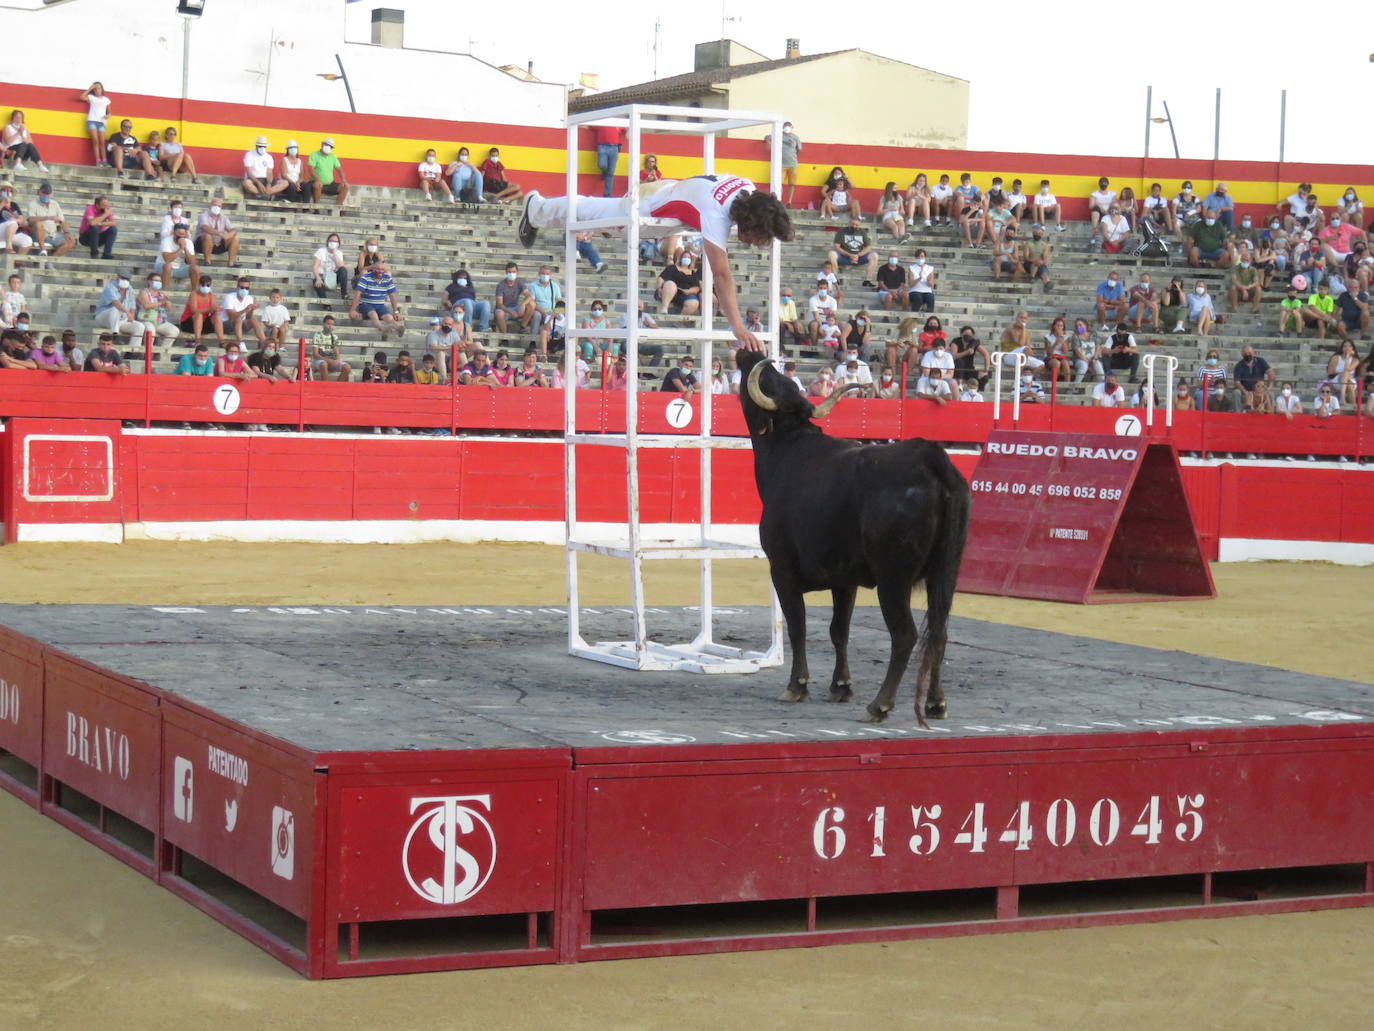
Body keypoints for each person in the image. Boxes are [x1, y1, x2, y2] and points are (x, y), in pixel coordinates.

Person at [518, 175, 792, 352]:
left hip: (668, 189)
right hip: (648, 208)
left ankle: (539, 209)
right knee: (589, 213)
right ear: (748, 221)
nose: (757, 243)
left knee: (593, 212)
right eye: (758, 237)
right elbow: (721, 275)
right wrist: (738, 327)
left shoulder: (748, 187)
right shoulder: (715, 214)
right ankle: (535, 207)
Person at [93, 272, 151, 344]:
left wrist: (131, 316)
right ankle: (115, 334)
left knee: (140, 326)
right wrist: (127, 312)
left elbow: (133, 305)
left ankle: (132, 352)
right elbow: (116, 303)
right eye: (123, 278)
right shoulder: (110, 287)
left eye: (127, 279)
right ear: (118, 278)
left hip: (122, 319)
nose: (125, 280)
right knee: (115, 309)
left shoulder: (130, 289)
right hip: (104, 317)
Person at [352, 262, 404, 340]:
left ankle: (398, 328)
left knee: (389, 317)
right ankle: (382, 328)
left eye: (382, 269)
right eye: (378, 269)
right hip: (366, 304)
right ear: (373, 269)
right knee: (373, 314)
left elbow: (392, 295)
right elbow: (357, 293)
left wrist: (395, 311)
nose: (380, 271)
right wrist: (353, 310)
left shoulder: (387, 278)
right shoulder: (366, 277)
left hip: (380, 305)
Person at [26, 181, 76, 258]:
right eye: (44, 193)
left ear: (51, 194)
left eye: (48, 193)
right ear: (39, 192)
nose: (46, 195)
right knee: (38, 224)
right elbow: (30, 219)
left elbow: (62, 221)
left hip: (53, 234)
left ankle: (50, 260)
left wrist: (66, 232)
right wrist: (48, 217)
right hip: (38, 234)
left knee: (71, 241)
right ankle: (43, 249)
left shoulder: (55, 204)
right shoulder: (33, 204)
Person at [829, 217, 878, 286]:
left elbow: (868, 247)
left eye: (856, 225)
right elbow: (837, 246)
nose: (854, 226)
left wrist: (858, 255)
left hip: (858, 257)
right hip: (844, 257)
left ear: (859, 225)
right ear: (849, 223)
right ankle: (835, 279)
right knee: (831, 254)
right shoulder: (841, 231)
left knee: (874, 255)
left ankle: (868, 280)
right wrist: (849, 255)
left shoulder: (862, 232)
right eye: (853, 224)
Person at [135, 272, 180, 344]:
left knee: (174, 331)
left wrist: (167, 301)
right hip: (146, 320)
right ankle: (148, 354)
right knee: (151, 331)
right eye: (156, 280)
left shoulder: (161, 294)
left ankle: (162, 354)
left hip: (160, 321)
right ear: (149, 281)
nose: (158, 282)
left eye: (159, 281)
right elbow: (146, 306)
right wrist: (161, 303)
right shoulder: (144, 292)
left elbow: (169, 309)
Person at [220, 276, 265, 346]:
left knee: (253, 320)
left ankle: (264, 342)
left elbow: (248, 317)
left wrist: (252, 309)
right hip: (227, 325)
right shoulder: (229, 297)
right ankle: (240, 343)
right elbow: (231, 317)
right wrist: (245, 309)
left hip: (240, 325)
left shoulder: (249, 298)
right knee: (238, 319)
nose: (244, 290)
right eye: (242, 287)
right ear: (237, 287)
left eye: (247, 288)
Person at [494, 261, 535, 334]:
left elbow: (529, 296)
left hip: (516, 307)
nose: (511, 274)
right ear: (506, 273)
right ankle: (504, 338)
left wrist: (523, 304)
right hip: (505, 310)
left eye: (513, 272)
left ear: (517, 272)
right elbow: (499, 304)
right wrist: (510, 311)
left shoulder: (519, 283)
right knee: (499, 313)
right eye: (509, 272)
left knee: (532, 304)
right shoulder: (501, 285)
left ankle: (523, 327)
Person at [178, 274, 221, 344]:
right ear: (199, 284)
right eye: (203, 285)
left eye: (208, 285)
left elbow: (212, 309)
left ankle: (221, 342)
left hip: (203, 324)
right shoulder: (194, 294)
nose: (205, 287)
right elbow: (193, 310)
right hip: (189, 323)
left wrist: (216, 309)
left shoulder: (211, 296)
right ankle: (197, 341)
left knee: (217, 316)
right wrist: (209, 308)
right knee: (198, 315)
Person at [196, 199, 239, 267]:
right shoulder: (203, 215)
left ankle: (231, 263)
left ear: (221, 207)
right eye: (215, 205)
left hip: (218, 244)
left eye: (219, 206)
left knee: (235, 237)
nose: (216, 207)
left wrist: (228, 235)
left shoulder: (224, 217)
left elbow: (233, 229)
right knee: (208, 235)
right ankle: (207, 261)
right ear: (210, 206)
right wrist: (220, 233)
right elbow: (205, 227)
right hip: (202, 244)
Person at [768, 121, 801, 208]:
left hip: (793, 164)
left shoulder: (795, 137)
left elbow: (799, 149)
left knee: (792, 184)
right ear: (782, 127)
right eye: (785, 125)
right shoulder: (778, 135)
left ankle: (789, 202)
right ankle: (779, 201)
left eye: (789, 125)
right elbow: (768, 138)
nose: (787, 127)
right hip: (780, 164)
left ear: (792, 127)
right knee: (779, 184)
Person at [309, 138, 349, 207]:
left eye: (330, 146)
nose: (328, 147)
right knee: (318, 185)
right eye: (327, 145)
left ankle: (338, 207)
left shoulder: (333, 156)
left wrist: (343, 180)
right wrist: (317, 180)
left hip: (330, 184)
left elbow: (340, 170)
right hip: (316, 183)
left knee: (345, 186)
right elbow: (311, 170)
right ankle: (316, 208)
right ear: (322, 145)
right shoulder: (314, 154)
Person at [79, 82, 112, 166]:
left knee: (102, 142)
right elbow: (81, 97)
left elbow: (109, 112)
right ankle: (98, 161)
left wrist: (107, 116)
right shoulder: (91, 97)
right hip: (92, 121)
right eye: (96, 88)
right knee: (95, 141)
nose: (98, 90)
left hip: (101, 122)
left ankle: (104, 161)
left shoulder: (106, 99)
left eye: (99, 88)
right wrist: (90, 88)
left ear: (102, 89)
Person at [312, 233, 349, 307]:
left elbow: (340, 266)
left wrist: (335, 253)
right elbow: (315, 266)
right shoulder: (321, 251)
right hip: (322, 276)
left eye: (335, 241)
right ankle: (326, 304)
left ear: (338, 243)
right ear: (328, 241)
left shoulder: (339, 253)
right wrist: (318, 278)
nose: (333, 243)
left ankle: (344, 293)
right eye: (331, 241)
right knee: (316, 282)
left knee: (343, 270)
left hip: (333, 278)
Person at [1233, 346, 1274, 410]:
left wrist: (1269, 386)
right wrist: (1245, 392)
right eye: (1245, 353)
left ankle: (1270, 415)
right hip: (1246, 391)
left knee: (1271, 394)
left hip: (1260, 389)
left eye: (1249, 353)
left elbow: (1270, 373)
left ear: (1254, 353)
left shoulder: (1261, 361)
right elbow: (1237, 383)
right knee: (1236, 392)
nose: (1247, 355)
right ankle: (1238, 414)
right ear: (1242, 355)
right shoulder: (1238, 366)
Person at [312, 314, 351, 381]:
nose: (330, 326)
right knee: (324, 365)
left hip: (332, 359)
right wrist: (329, 360)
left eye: (332, 324)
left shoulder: (334, 337)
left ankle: (336, 387)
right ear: (323, 324)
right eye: (328, 324)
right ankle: (326, 386)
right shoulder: (317, 335)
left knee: (347, 367)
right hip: (320, 360)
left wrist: (337, 360)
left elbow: (337, 353)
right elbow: (316, 355)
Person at [79, 194, 118, 259]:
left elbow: (114, 223)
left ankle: (106, 254)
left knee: (113, 229)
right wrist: (106, 214)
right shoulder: (90, 208)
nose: (106, 207)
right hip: (85, 238)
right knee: (94, 227)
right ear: (97, 205)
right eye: (104, 205)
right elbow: (92, 222)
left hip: (98, 239)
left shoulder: (107, 210)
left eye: (107, 204)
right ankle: (94, 253)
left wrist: (100, 223)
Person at [593, 125, 624, 197]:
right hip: (603, 146)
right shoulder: (602, 123)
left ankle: (607, 194)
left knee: (611, 172)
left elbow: (626, 127)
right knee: (602, 165)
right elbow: (588, 126)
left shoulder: (618, 124)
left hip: (614, 147)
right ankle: (604, 172)